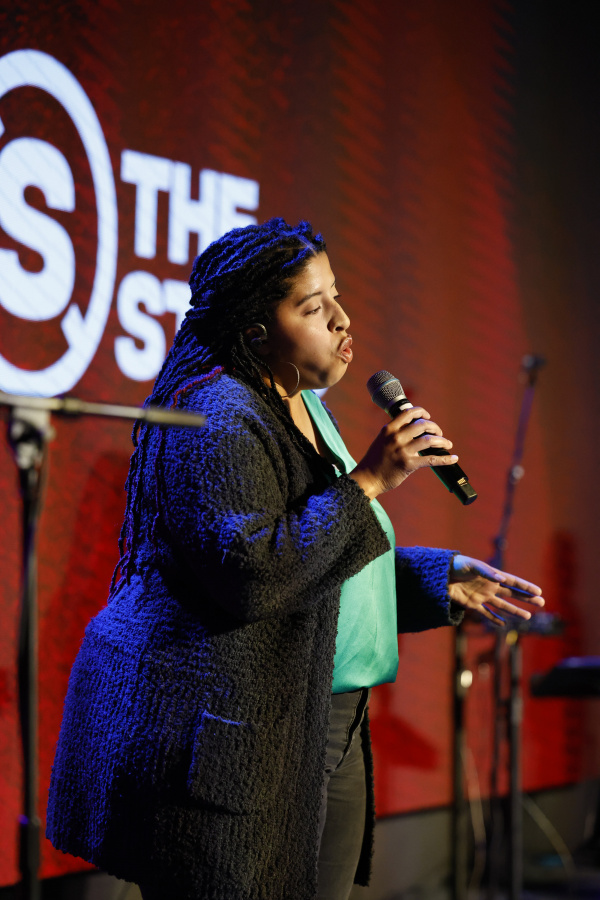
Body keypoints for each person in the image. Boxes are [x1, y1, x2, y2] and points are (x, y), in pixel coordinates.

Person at [46, 218, 544, 900]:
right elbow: (256, 575)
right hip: (239, 735)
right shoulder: (218, 415)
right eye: (312, 307)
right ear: (256, 333)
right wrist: (370, 479)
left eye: (336, 294)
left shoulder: (301, 402)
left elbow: (317, 551)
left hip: (323, 717)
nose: (342, 318)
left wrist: (435, 580)